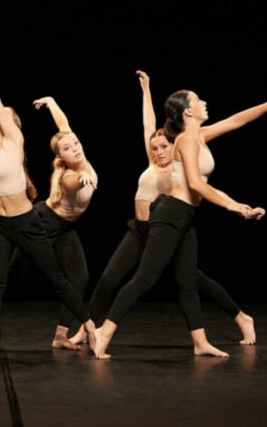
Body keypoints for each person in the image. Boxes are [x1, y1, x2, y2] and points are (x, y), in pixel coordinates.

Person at [94, 87, 267, 360]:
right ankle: (104, 332)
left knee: (188, 280)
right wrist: (234, 205)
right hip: (171, 214)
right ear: (187, 111)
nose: (204, 102)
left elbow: (235, 120)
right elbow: (195, 184)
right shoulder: (186, 141)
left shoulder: (199, 136)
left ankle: (200, 342)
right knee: (144, 278)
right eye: (197, 100)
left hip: (184, 216)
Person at [79, 71, 256, 349]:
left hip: (169, 221)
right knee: (118, 279)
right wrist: (146, 92)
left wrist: (234, 204)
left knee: (188, 279)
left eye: (163, 146)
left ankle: (213, 333)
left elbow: (203, 175)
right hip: (143, 228)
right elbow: (149, 125)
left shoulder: (180, 153)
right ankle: (88, 330)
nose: (158, 150)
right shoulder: (156, 159)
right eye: (154, 147)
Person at [0, 40, 100, 360]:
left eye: (4, 115)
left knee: (59, 278)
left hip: (27, 222)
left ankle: (89, 327)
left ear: (11, 124)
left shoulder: (15, 141)